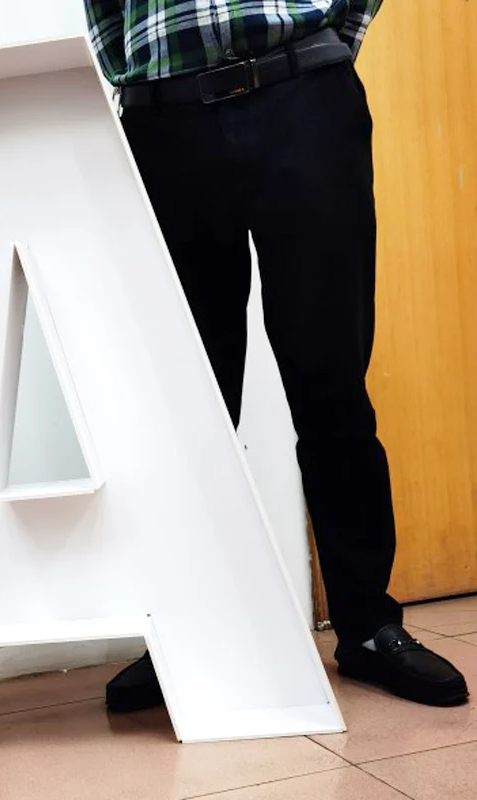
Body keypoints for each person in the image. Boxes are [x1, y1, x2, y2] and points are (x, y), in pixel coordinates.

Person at [83, 0, 469, 709]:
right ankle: (184, 632)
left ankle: (367, 626)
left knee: (330, 374)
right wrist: (139, 75)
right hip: (164, 125)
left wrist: (319, 50)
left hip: (303, 95)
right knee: (186, 397)